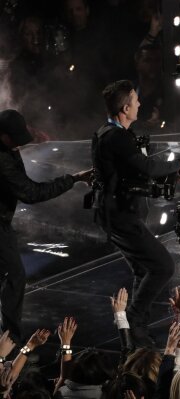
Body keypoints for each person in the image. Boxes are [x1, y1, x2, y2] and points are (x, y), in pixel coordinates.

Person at [91, 80, 180, 348]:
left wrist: (175, 176)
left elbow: (135, 175)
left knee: (144, 268)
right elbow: (146, 166)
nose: (140, 104)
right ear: (126, 107)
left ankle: (135, 328)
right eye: (136, 101)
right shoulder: (115, 137)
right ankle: (134, 321)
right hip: (119, 216)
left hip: (120, 213)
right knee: (163, 266)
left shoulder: (113, 134)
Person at [0, 109, 92, 344]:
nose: (18, 146)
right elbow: (31, 192)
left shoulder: (7, 147)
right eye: (15, 141)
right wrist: (74, 178)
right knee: (15, 276)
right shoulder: (3, 158)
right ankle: (9, 339)